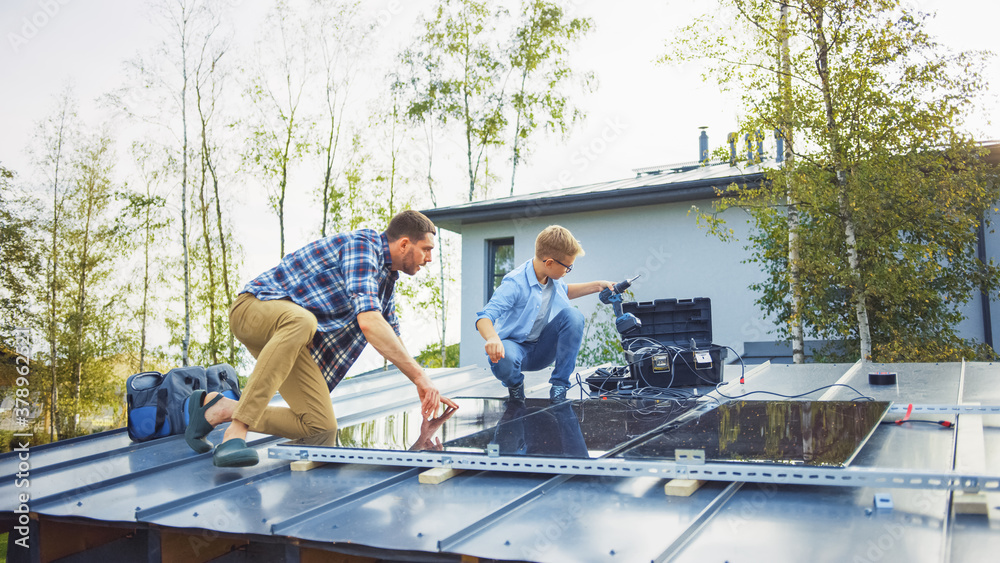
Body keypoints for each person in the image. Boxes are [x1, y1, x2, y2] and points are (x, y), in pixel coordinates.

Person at [184, 209, 459, 467]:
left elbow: (391, 337)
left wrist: (423, 384)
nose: (429, 259)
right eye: (426, 250)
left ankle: (220, 409)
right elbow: (369, 321)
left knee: (320, 426)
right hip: (253, 310)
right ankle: (236, 434)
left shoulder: (386, 280)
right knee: (303, 320)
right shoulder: (362, 246)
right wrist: (420, 377)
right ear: (403, 244)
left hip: (290, 339)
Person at [475, 225, 613, 403]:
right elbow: (484, 317)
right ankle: (515, 385)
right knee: (505, 358)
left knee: (574, 316)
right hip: (515, 352)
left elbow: (566, 291)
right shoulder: (514, 283)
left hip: (542, 349)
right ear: (549, 263)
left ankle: (559, 386)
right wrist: (492, 338)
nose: (567, 272)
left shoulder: (552, 278)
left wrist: (597, 285)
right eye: (567, 267)